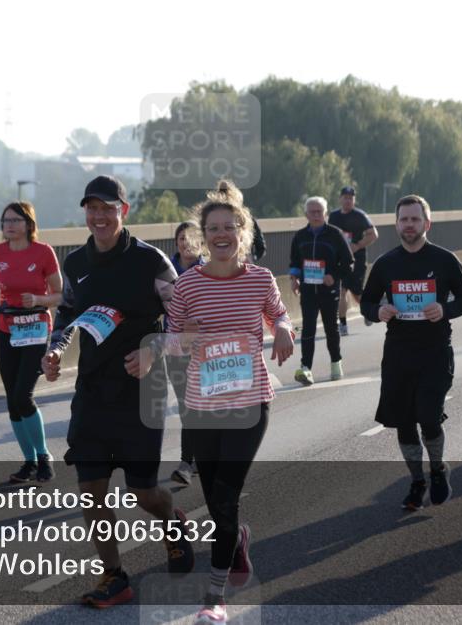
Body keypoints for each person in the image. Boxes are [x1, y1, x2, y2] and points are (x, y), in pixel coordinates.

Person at [41, 175, 194, 607]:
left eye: (108, 208)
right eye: (92, 208)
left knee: (143, 493)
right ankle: (114, 576)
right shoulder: (75, 264)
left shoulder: (151, 262)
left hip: (142, 391)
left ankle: (171, 521)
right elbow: (68, 313)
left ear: (123, 211)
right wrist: (54, 352)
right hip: (92, 389)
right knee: (91, 488)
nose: (99, 216)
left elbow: (188, 323)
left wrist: (153, 350)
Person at [166, 188, 294, 625]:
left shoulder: (260, 280)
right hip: (202, 406)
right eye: (213, 229)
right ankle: (236, 538)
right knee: (218, 499)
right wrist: (184, 332)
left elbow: (279, 313)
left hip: (251, 402)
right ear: (203, 237)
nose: (222, 235)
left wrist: (282, 330)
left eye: (230, 227)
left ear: (244, 231)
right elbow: (170, 342)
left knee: (225, 495)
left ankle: (214, 596)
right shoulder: (187, 285)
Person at [360, 195, 462, 511]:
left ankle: (437, 468)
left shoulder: (444, 260)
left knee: (428, 415)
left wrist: (445, 309)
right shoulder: (386, 264)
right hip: (398, 353)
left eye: (415, 219)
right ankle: (416, 480)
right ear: (396, 224)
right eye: (403, 219)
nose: (409, 225)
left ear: (427, 223)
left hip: (435, 352)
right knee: (404, 422)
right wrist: (378, 309)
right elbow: (366, 303)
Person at [0, 201, 62, 483]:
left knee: (23, 395)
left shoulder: (43, 252)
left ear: (29, 224)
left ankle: (44, 457)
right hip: (8, 330)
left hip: (36, 329)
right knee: (12, 400)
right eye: (5, 221)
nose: (8, 225)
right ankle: (29, 462)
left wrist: (38, 300)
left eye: (15, 220)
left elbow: (60, 295)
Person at [289, 196, 354, 385]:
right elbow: (294, 261)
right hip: (308, 290)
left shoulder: (335, 234)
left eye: (320, 211)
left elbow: (349, 263)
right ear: (306, 214)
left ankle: (336, 363)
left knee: (330, 328)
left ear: (325, 213)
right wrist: (294, 279)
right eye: (312, 212)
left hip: (329, 290)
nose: (316, 215)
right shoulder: (300, 236)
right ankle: (306, 368)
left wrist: (333, 276)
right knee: (308, 328)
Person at [167, 221, 205, 486]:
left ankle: (190, 461)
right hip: (174, 347)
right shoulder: (163, 270)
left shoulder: (209, 271)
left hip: (203, 349)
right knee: (185, 405)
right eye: (181, 238)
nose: (185, 242)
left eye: (191, 238)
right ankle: (189, 461)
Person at [328, 186, 379, 336]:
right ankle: (342, 324)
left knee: (357, 293)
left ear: (354, 200)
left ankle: (368, 312)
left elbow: (373, 235)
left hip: (357, 259)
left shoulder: (360, 216)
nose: (348, 200)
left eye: (351, 198)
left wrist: (357, 246)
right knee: (341, 290)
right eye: (345, 197)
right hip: (339, 260)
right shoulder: (334, 216)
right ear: (340, 199)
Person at [214, 180, 266, 263]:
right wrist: (252, 258)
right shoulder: (247, 219)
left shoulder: (247, 220)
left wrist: (252, 258)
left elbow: (260, 246)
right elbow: (261, 246)